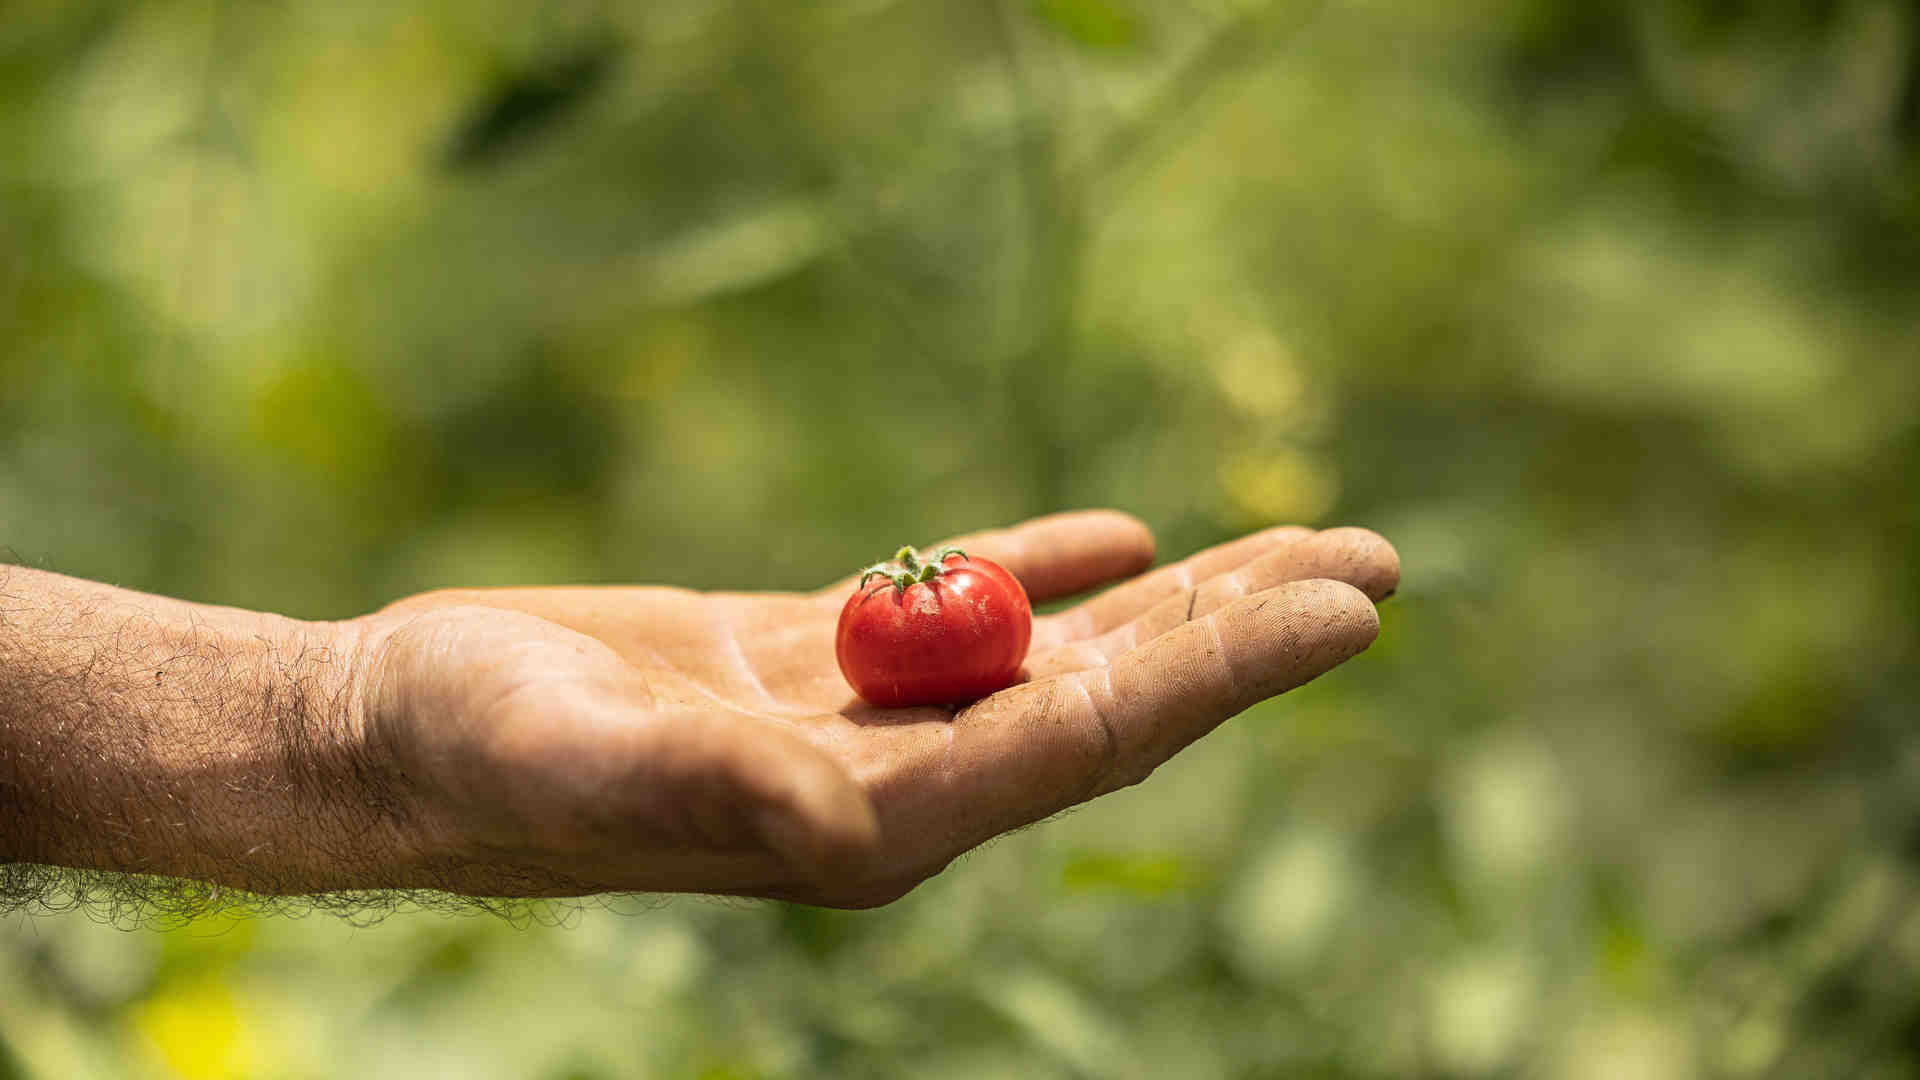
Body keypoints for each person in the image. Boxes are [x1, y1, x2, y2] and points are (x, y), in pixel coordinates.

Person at [0, 511, 1397, 912]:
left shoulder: (893, 621)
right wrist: (337, 727)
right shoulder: (938, 612)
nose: (921, 589)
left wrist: (337, 720)